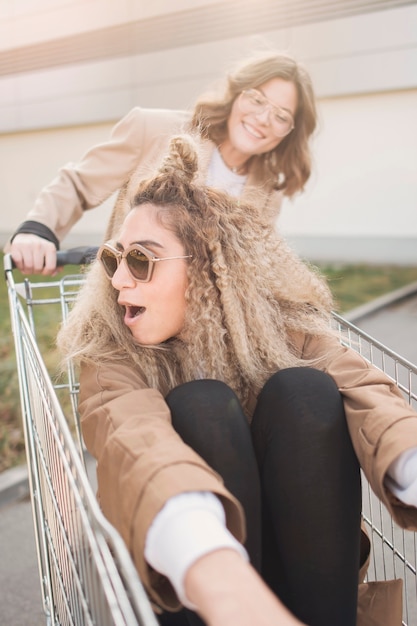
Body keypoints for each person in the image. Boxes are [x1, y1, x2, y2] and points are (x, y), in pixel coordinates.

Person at [57, 134, 417, 626]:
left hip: (294, 576)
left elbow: (368, 392)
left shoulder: (279, 329)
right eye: (113, 258)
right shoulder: (112, 350)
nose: (119, 279)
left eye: (140, 259)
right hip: (192, 584)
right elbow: (134, 439)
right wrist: (215, 570)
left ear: (207, 269)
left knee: (305, 389)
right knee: (202, 404)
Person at [6, 48, 317, 275]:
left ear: (290, 132)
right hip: (126, 305)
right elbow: (78, 184)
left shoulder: (267, 189)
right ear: (236, 94)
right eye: (257, 99)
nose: (263, 119)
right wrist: (38, 230)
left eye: (281, 115)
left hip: (207, 330)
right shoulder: (154, 130)